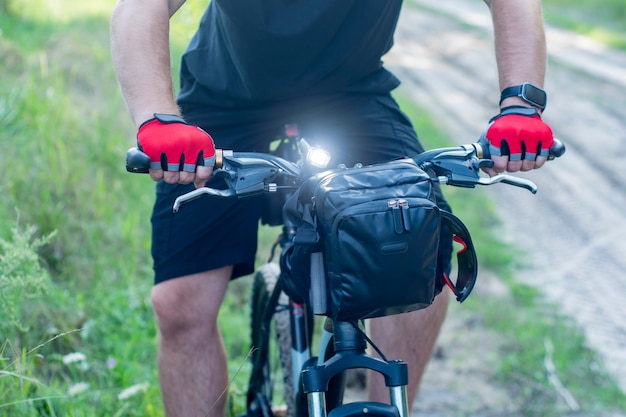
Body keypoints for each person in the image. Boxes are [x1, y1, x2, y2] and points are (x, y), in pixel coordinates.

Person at [110, 1, 554, 416]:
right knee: (181, 304)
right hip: (226, 97)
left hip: (351, 92)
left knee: (422, 261)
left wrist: (520, 105)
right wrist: (159, 118)